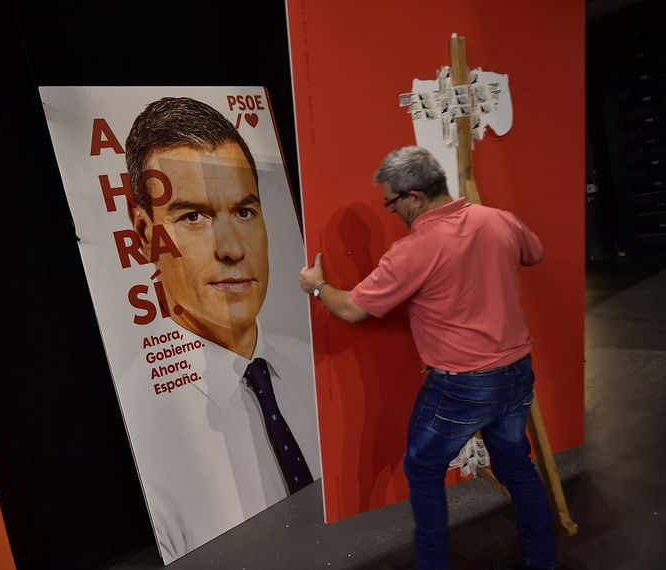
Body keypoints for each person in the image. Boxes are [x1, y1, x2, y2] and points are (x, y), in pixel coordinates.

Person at [298, 146, 557, 570]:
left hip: (462, 385)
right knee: (516, 464)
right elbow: (534, 253)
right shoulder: (497, 219)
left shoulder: (413, 250)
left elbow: (350, 308)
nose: (392, 212)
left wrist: (316, 285)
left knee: (422, 469)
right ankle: (542, 559)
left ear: (415, 196)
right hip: (516, 373)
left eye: (392, 202)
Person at [122, 97, 319, 563]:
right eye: (193, 216)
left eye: (244, 212)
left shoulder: (318, 365)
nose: (231, 248)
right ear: (145, 236)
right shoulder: (141, 434)